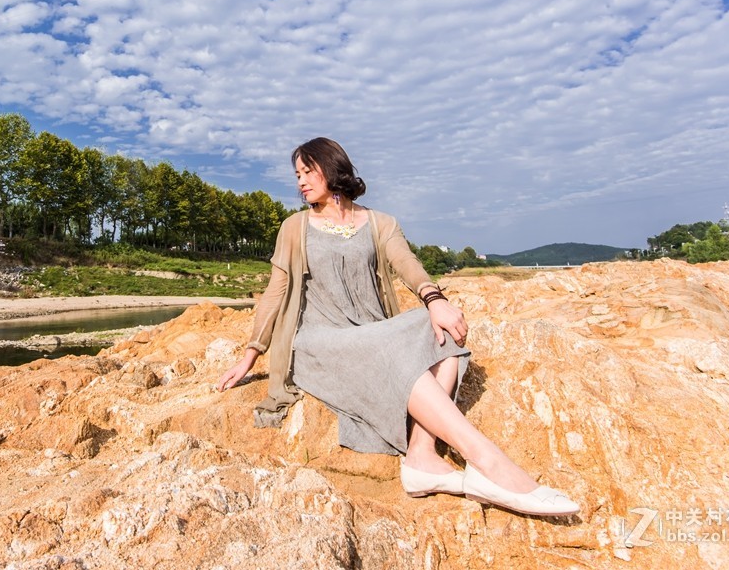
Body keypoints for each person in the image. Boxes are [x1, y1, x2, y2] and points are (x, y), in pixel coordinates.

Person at [217, 137, 579, 517]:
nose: (301, 182)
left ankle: (421, 456)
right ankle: (488, 461)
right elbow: (276, 292)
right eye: (297, 175)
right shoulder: (295, 227)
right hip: (319, 338)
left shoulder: (379, 222)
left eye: (308, 171)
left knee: (441, 332)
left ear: (332, 167)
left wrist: (434, 299)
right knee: (392, 346)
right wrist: (251, 354)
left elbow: (406, 263)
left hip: (370, 329)